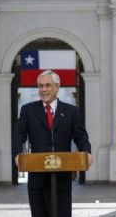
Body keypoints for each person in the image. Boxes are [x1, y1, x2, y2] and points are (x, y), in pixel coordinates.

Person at [13, 70, 93, 217]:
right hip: (37, 178)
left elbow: (81, 136)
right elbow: (19, 134)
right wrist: (18, 153)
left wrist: (86, 151)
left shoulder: (71, 112)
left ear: (57, 87)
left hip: (62, 178)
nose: (43, 89)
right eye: (40, 86)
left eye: (48, 85)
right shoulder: (28, 110)